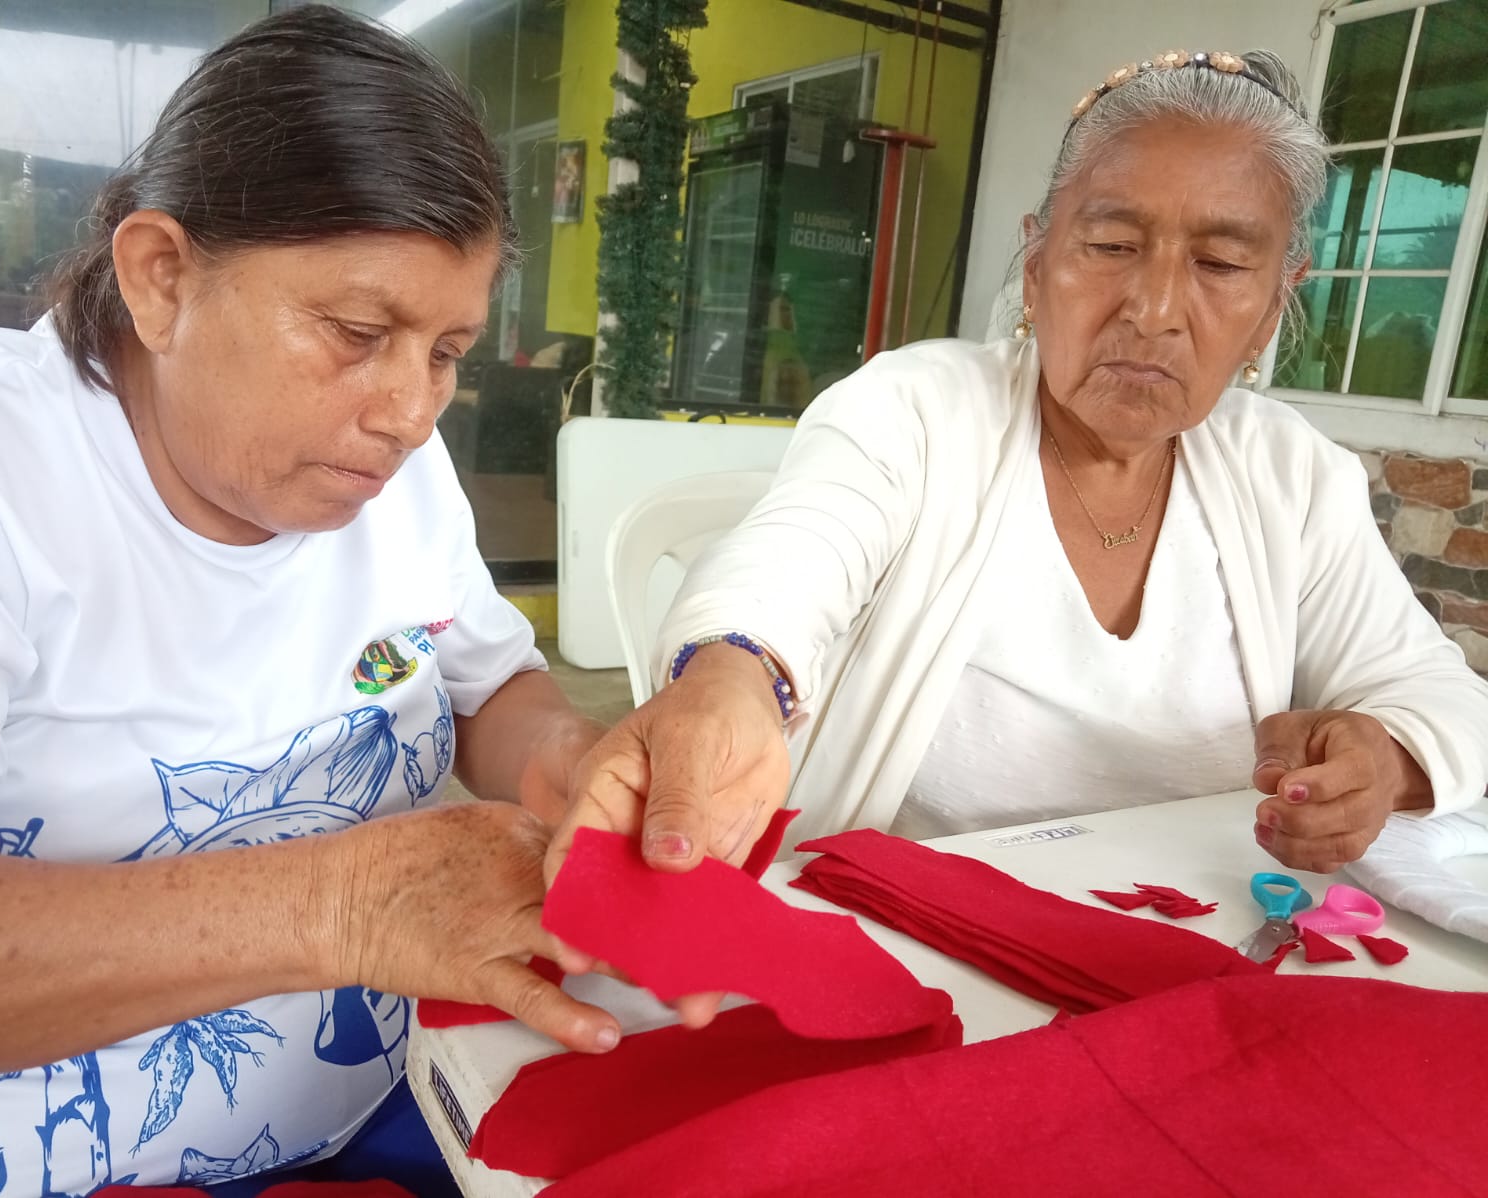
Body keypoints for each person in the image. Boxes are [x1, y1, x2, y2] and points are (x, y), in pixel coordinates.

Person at [0, 9, 621, 1196]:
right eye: (357, 331)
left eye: (446, 352)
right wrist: (344, 904)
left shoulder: (393, 470)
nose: (409, 412)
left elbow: (487, 684)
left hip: (392, 1104)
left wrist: (579, 764)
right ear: (161, 277)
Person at [548, 49, 1488, 908]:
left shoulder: (1292, 474)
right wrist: (730, 678)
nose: (1155, 308)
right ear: (1037, 267)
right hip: (911, 937)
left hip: (1202, 944)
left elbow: (1434, 691)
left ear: (1275, 304)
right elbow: (789, 559)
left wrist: (1386, 757)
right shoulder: (917, 409)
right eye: (1111, 246)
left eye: (1220, 263)